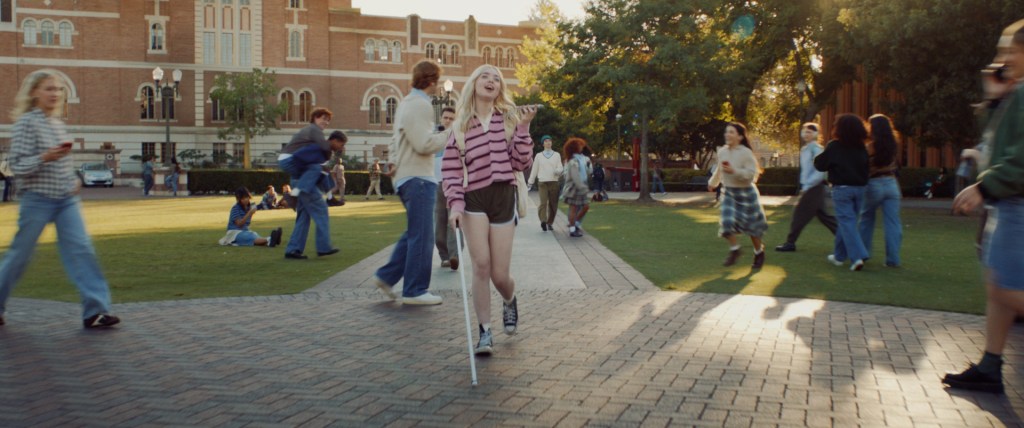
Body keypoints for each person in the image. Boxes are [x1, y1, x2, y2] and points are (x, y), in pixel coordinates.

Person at [0, 71, 121, 328]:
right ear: (34, 93)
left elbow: (63, 163)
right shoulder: (26, 123)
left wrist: (74, 179)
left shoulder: (57, 124)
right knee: (20, 255)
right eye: (49, 89)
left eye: (58, 89)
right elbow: (17, 166)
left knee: (82, 250)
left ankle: (95, 311)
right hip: (37, 199)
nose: (55, 94)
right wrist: (45, 157)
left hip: (65, 200)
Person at [943, 20, 1024, 394]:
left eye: (1010, 51)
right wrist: (994, 99)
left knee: (1006, 289)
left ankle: (991, 366)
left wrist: (983, 186)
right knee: (998, 287)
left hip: (1017, 203)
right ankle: (991, 366)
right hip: (1007, 203)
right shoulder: (1016, 94)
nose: (1003, 59)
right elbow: (994, 146)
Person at [443, 64, 537, 355]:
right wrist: (455, 205)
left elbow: (521, 163)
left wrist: (524, 127)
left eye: (496, 78)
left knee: (499, 275)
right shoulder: (459, 126)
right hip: (474, 199)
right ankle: (485, 332)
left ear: (500, 89)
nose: (491, 80)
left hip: (503, 197)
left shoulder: (508, 120)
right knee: (480, 265)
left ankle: (509, 298)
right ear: (474, 83)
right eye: (485, 76)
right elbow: (450, 170)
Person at [371, 60, 452, 305]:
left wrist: (394, 162)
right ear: (431, 81)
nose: (439, 87)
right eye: (437, 81)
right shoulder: (419, 104)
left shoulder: (408, 102)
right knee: (422, 235)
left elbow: (397, 140)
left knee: (415, 232)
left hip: (408, 176)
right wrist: (453, 132)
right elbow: (424, 144)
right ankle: (415, 290)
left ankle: (386, 277)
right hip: (418, 178)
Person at [708, 122, 768, 268]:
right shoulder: (722, 151)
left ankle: (759, 252)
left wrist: (734, 171)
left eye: (731, 132)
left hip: (746, 193)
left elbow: (751, 176)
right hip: (729, 192)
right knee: (726, 223)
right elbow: (719, 170)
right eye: (726, 132)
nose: (727, 135)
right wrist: (713, 183)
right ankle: (735, 250)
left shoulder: (746, 153)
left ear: (740, 136)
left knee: (752, 229)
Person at [814, 114, 870, 271]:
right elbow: (867, 168)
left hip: (842, 189)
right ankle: (839, 256)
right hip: (860, 189)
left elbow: (820, 164)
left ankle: (858, 256)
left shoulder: (834, 146)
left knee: (846, 223)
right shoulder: (862, 148)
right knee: (848, 223)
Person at [281, 129, 346, 260]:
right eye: (342, 144)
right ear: (334, 140)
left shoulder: (325, 150)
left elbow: (324, 170)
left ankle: (293, 250)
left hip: (302, 181)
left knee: (303, 217)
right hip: (305, 184)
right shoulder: (321, 147)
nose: (342, 147)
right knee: (321, 210)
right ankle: (323, 247)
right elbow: (301, 158)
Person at [775, 123, 838, 252]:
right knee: (824, 216)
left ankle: (790, 242)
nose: (806, 134)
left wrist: (808, 185)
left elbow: (819, 171)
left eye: (810, 132)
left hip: (814, 187)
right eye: (805, 131)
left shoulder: (816, 149)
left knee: (799, 214)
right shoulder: (805, 149)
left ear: (815, 134)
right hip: (811, 187)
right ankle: (846, 237)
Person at [859, 114, 903, 267]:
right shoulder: (893, 144)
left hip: (874, 183)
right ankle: (893, 259)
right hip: (891, 183)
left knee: (867, 218)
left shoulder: (869, 146)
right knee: (893, 222)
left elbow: (864, 167)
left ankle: (863, 254)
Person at [278, 107, 336, 204]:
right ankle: (294, 195)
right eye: (324, 118)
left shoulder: (308, 129)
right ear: (315, 118)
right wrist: (335, 146)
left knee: (322, 171)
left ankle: (329, 198)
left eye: (328, 120)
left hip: (288, 159)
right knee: (317, 169)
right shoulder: (314, 129)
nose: (326, 122)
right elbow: (324, 146)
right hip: (290, 159)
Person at [434, 106, 461, 270]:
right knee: (440, 221)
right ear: (441, 118)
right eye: (446, 117)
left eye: (451, 118)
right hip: (437, 184)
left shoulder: (459, 137)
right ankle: (444, 256)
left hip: (455, 184)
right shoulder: (435, 138)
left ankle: (454, 256)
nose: (448, 121)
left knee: (455, 220)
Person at [218, 187, 283, 248]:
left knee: (253, 235)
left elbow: (247, 223)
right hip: (234, 233)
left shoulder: (248, 207)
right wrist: (249, 213)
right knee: (250, 237)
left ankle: (270, 242)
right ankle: (271, 239)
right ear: (239, 200)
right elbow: (239, 224)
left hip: (245, 231)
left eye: (246, 197)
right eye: (243, 198)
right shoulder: (235, 208)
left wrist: (251, 213)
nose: (246, 200)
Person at [526, 135, 563, 231]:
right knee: (543, 203)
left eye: (550, 141)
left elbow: (560, 167)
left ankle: (549, 222)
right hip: (542, 182)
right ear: (543, 144)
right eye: (546, 141)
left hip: (554, 182)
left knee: (553, 205)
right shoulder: (538, 156)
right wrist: (530, 182)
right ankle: (543, 221)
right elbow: (534, 170)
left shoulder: (556, 155)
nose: (548, 142)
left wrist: (558, 171)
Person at [562, 137, 592, 238]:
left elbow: (587, 173)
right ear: (574, 147)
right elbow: (575, 176)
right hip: (575, 188)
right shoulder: (573, 161)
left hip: (580, 187)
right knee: (574, 208)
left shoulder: (581, 159)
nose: (581, 147)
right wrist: (582, 187)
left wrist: (588, 166)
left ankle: (574, 225)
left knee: (584, 207)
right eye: (579, 145)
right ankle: (572, 228)